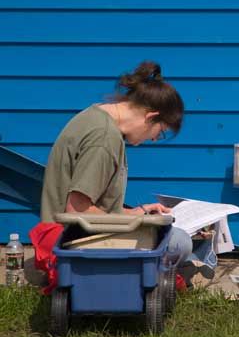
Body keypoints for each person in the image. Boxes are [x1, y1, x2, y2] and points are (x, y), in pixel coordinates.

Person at [40, 60, 192, 268]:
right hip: (71, 241)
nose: (155, 139)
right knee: (178, 243)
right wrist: (137, 225)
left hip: (71, 232)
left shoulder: (96, 116)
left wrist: (138, 213)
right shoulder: (104, 138)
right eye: (160, 131)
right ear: (151, 117)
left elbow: (91, 206)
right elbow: (77, 210)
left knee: (169, 235)